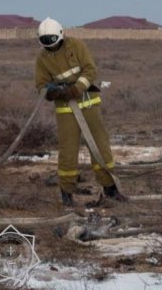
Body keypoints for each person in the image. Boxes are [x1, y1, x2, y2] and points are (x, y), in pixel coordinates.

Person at [34, 17, 125, 207]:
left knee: (100, 147)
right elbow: (41, 85)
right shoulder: (42, 58)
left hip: (88, 103)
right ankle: (67, 194)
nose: (51, 48)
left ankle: (110, 189)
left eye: (54, 44)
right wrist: (51, 92)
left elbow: (90, 70)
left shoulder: (76, 46)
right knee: (67, 152)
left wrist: (75, 89)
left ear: (61, 36)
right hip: (66, 110)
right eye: (47, 45)